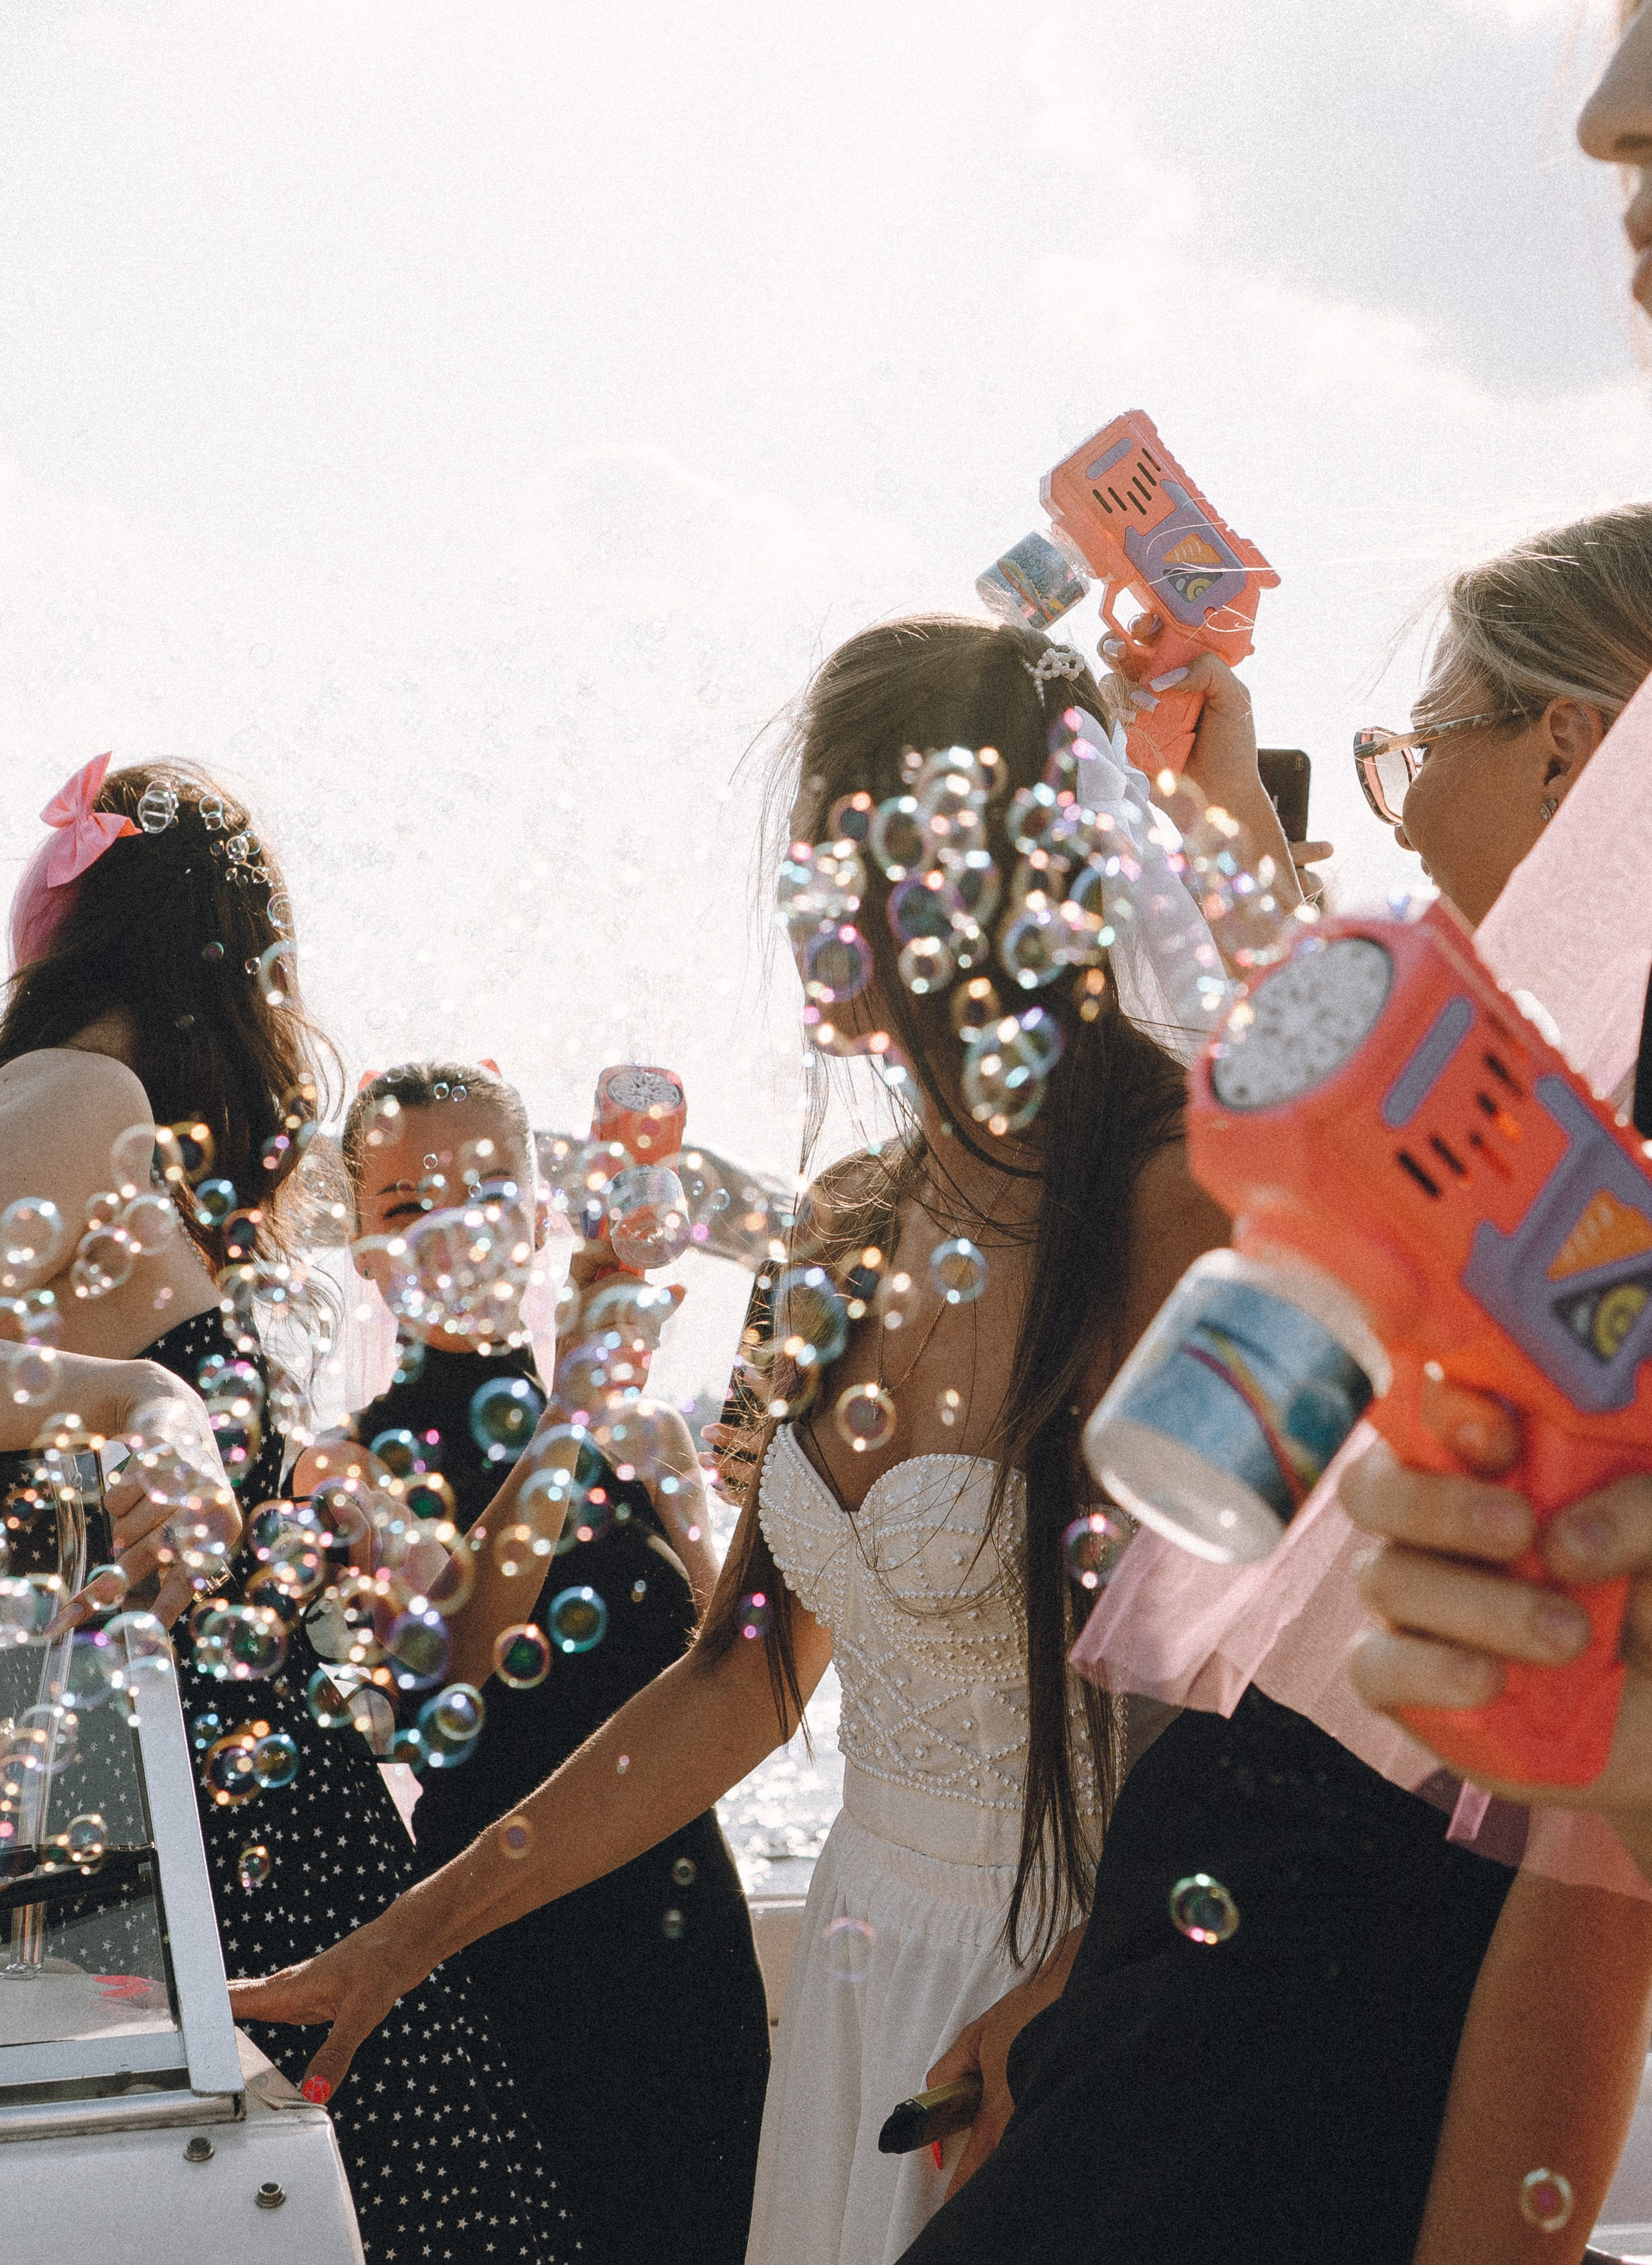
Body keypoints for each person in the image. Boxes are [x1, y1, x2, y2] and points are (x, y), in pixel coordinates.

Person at [230, 608, 1269, 2265]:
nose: (805, 907)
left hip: (1069, 1995)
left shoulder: (1173, 1201)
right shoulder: (846, 1219)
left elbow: (1265, 1708)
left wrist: (1068, 2003)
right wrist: (403, 1939)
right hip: (863, 1966)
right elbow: (746, 1677)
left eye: (836, 847)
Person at [886, 502, 1652, 2265]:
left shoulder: (1600, 1199)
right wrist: (1087, 1982)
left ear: (1566, 752)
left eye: (1411, 749)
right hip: (1193, 2004)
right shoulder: (1510, 1118)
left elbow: (1592, 1882)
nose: (1395, 804)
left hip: (1300, 2078)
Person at [0, 754, 573, 2265]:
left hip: (230, 1821)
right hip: (182, 1836)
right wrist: (146, 1400)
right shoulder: (79, 1093)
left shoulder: (136, 1139)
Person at [335, 1057, 770, 2265]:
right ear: (365, 1251)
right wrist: (572, 1410)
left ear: (538, 1212)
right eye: (401, 1208)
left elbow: (742, 1669)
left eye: (483, 1190)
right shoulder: (350, 1462)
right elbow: (460, 1662)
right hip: (494, 1953)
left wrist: (767, 1427)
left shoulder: (634, 1426)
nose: (448, 1231)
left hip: (683, 1945)